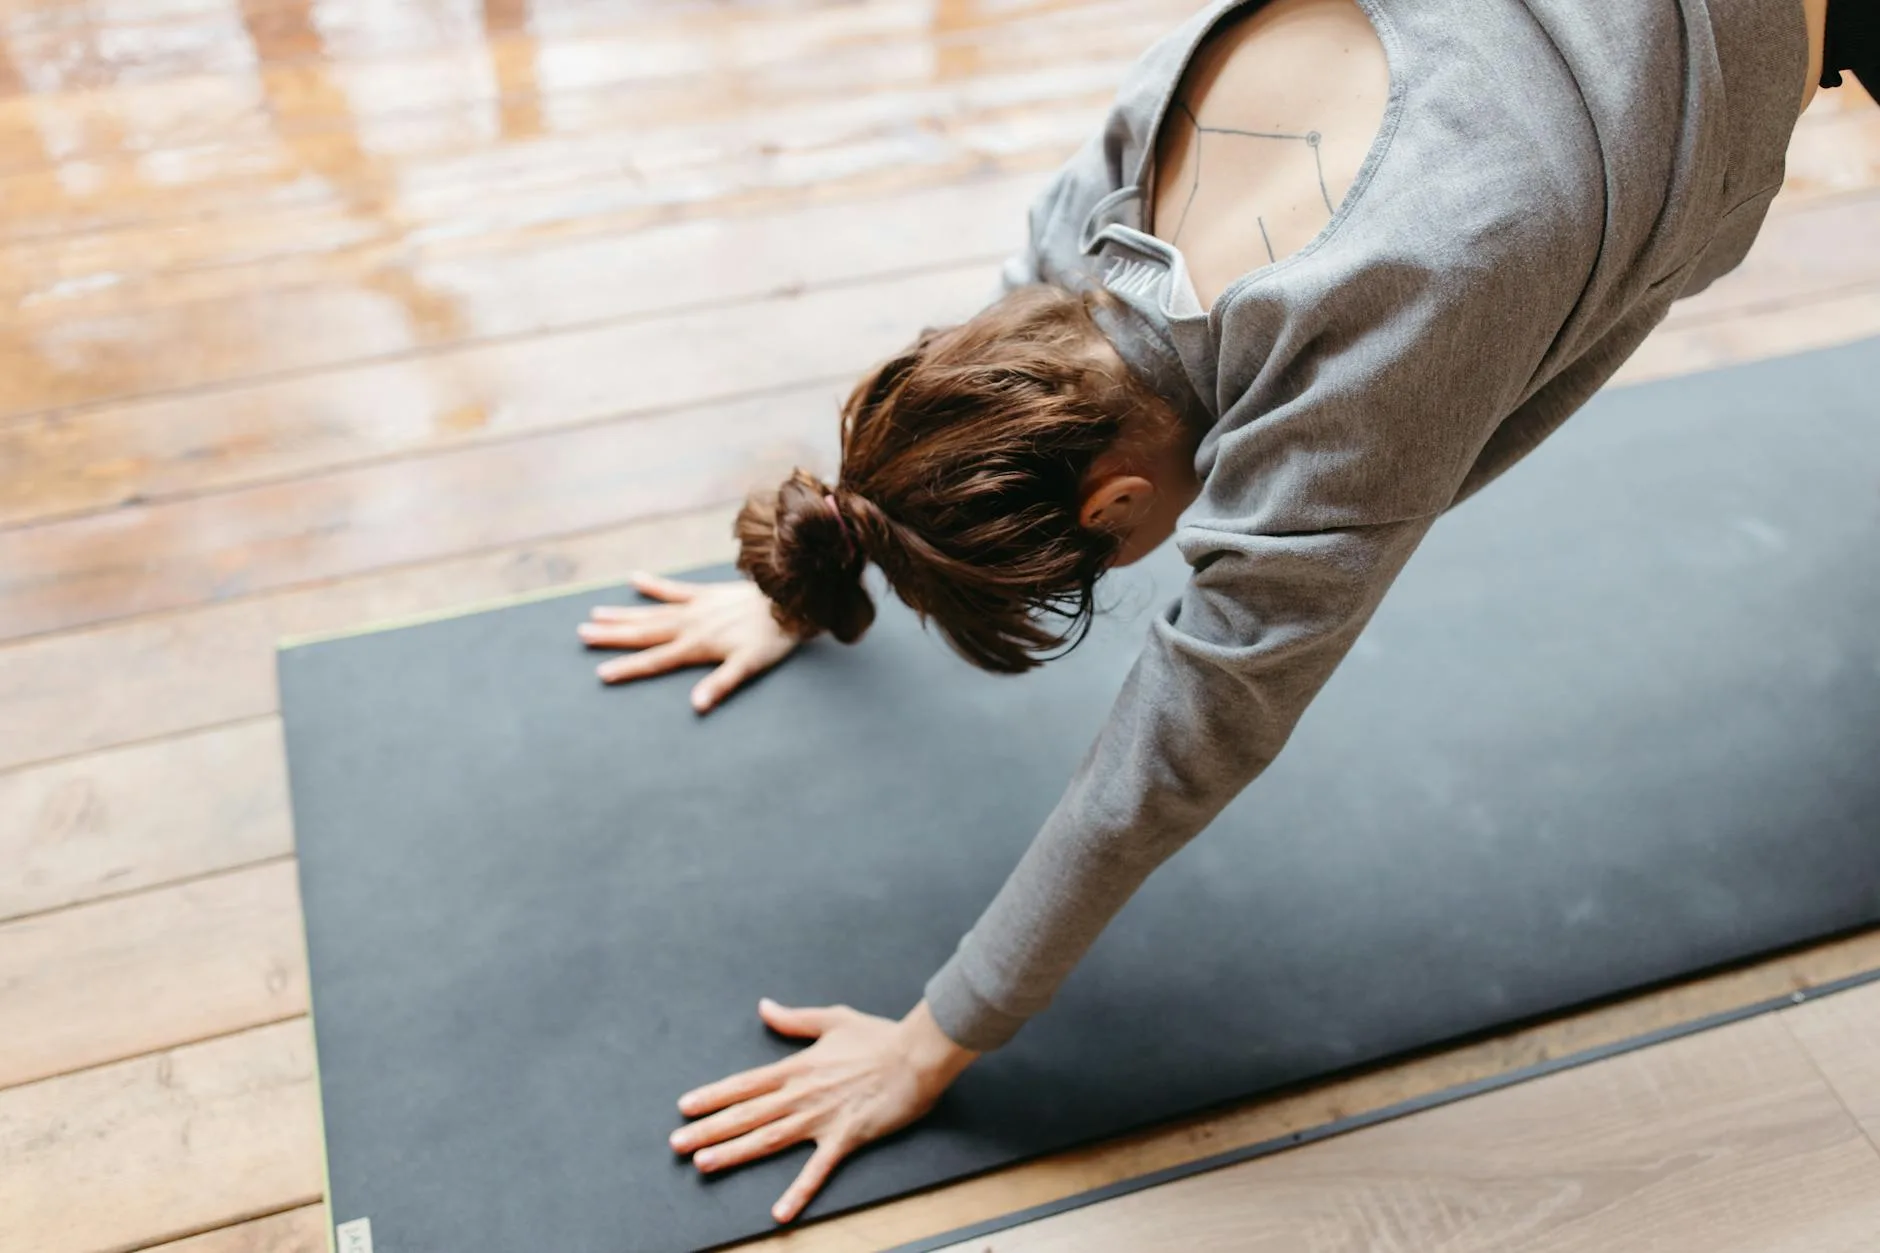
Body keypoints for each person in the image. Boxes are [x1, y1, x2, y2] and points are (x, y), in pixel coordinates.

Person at [577, 0, 1871, 1225]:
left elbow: (1178, 752)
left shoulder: (1371, 356)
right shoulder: (1135, 163)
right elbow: (985, 371)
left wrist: (934, 1041)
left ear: (1117, 503)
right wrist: (828, 568)